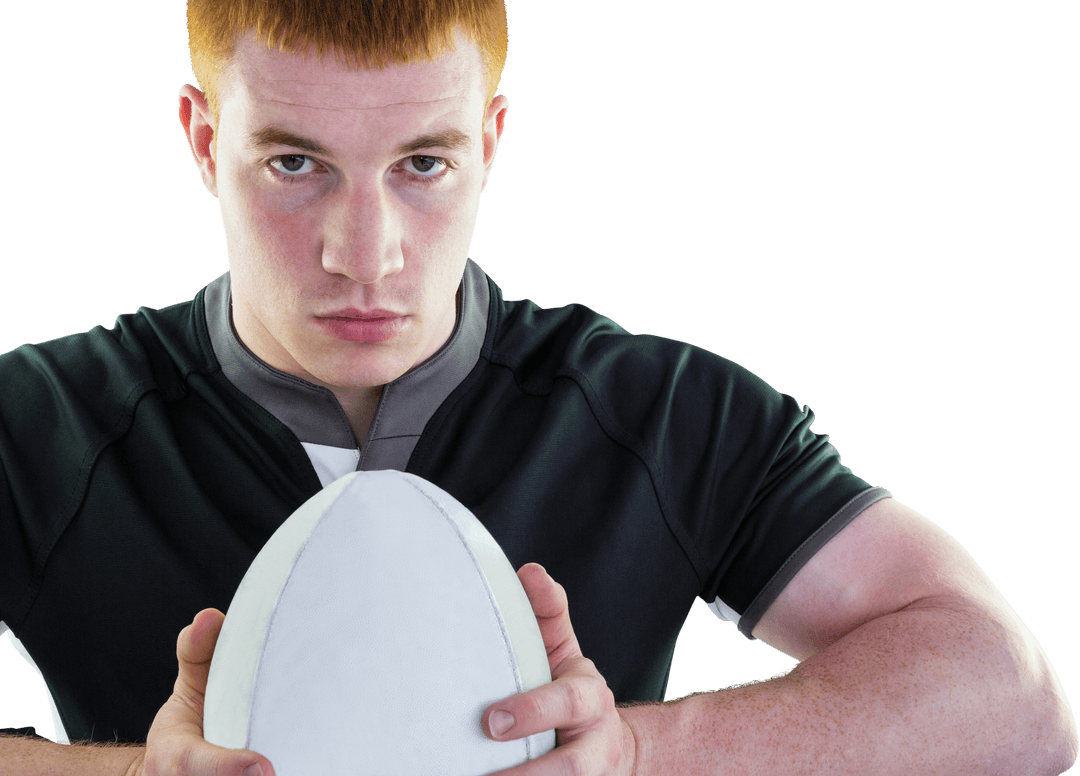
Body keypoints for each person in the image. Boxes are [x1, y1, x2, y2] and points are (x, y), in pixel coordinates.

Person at [1, 1, 1076, 775]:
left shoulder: (663, 411)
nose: (364, 254)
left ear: (489, 141)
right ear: (202, 137)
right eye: (296, 164)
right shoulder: (37, 427)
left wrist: (639, 754)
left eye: (423, 164)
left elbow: (1014, 702)